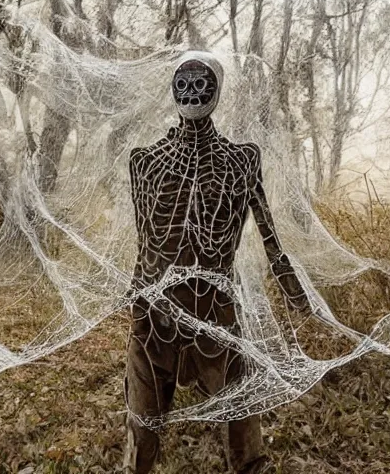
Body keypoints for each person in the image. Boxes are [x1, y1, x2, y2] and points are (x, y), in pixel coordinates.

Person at [123, 51, 309, 474]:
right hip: (155, 314)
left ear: (217, 89)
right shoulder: (144, 161)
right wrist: (135, 296)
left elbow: (267, 230)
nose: (191, 92)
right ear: (172, 89)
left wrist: (288, 280)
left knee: (242, 422)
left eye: (201, 83)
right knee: (142, 426)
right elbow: (145, 240)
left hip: (216, 311)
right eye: (183, 83)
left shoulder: (242, 159)